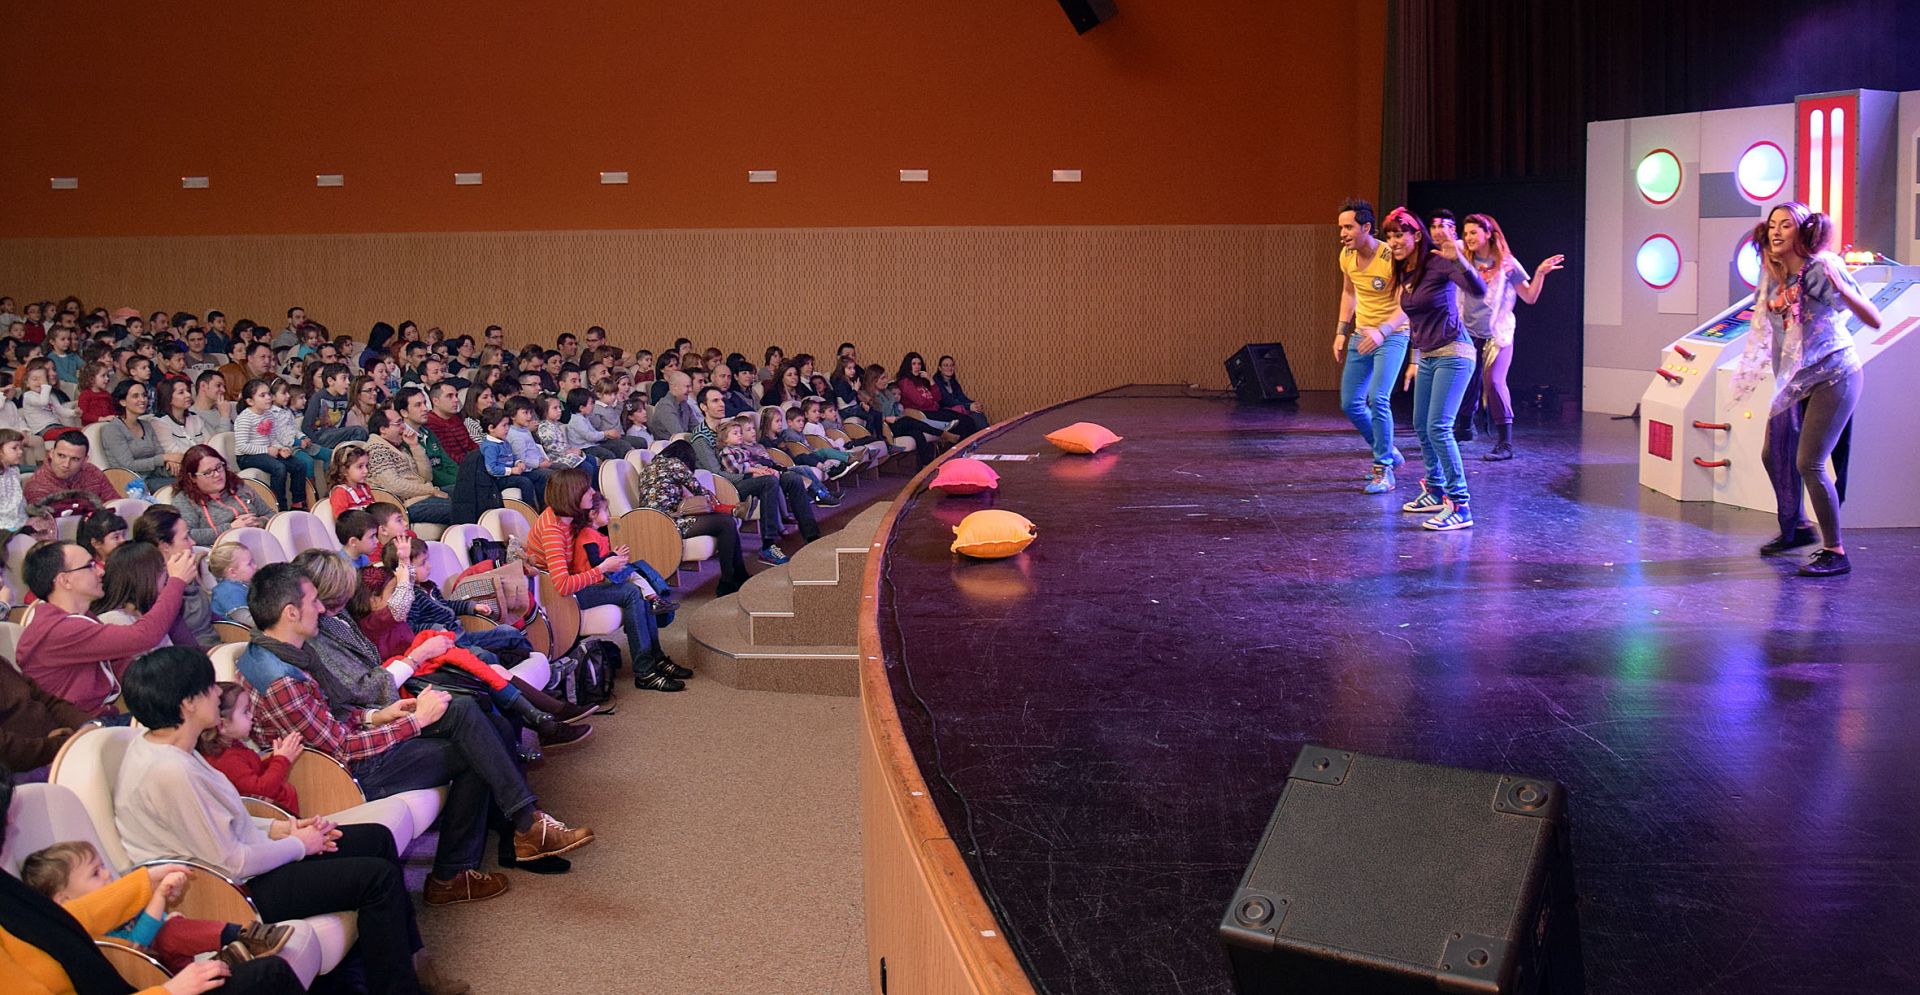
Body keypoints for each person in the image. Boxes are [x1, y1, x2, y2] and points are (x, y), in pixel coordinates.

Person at [113, 645, 469, 994]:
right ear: (187, 704)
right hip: (226, 888)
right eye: (208, 690)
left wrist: (284, 827)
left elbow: (225, 820)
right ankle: (397, 986)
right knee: (376, 879)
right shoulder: (170, 771)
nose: (214, 697)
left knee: (375, 838)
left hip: (242, 862)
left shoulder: (169, 749)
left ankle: (408, 964)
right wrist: (299, 844)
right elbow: (231, 861)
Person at [240, 562, 593, 885]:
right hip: (346, 774)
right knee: (471, 736)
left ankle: (515, 833)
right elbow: (343, 748)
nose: (321, 608)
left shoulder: (282, 654)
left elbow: (338, 715)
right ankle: (487, 852)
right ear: (290, 612)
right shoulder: (283, 679)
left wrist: (379, 715)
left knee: (471, 715)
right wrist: (415, 721)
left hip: (356, 741)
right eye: (314, 601)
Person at [1733, 202, 1882, 576]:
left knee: (1809, 462)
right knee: (1773, 454)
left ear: (1803, 232)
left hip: (1835, 373)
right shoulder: (1774, 272)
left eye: (1786, 225)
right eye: (1771, 225)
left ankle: (1835, 550)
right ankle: (1798, 527)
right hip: (1797, 380)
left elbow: (1873, 319)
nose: (1776, 231)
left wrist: (1842, 290)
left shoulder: (1820, 269)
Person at [21, 838, 295, 974]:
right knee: (169, 933)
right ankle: (241, 937)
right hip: (146, 972)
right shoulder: (88, 931)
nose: (107, 875)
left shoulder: (117, 901)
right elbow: (137, 945)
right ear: (64, 902)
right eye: (95, 874)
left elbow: (146, 919)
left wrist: (164, 912)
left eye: (103, 867)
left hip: (169, 963)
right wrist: (159, 896)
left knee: (172, 928)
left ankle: (233, 953)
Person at [524, 469, 686, 690]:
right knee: (631, 593)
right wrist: (603, 568)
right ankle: (645, 671)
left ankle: (655, 658)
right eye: (586, 489)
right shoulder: (553, 530)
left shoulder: (568, 516)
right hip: (557, 598)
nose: (592, 492)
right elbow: (561, 585)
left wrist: (610, 560)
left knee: (636, 578)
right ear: (572, 495)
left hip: (575, 584)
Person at [1384, 207, 1486, 530]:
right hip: (1428, 355)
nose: (1394, 241)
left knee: (1440, 428)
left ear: (1416, 236)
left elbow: (1479, 290)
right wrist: (1414, 361)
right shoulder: (1406, 272)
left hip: (1455, 352)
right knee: (1421, 426)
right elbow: (1416, 319)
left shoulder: (1439, 262)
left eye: (1400, 234)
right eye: (1389, 236)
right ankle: (1435, 488)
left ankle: (1460, 504)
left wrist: (1459, 257)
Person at [18, 539, 197, 718]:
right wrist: (176, 582)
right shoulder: (59, 629)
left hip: (106, 715)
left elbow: (121, 664)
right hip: (84, 729)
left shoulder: (79, 618)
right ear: (65, 581)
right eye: (90, 566)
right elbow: (144, 636)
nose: (101, 571)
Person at [1455, 213, 1564, 462]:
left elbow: (1529, 297)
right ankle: (1463, 427)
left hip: (1498, 334)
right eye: (1466, 232)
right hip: (1468, 333)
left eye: (1474, 232)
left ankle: (1505, 443)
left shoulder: (1507, 264)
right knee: (1463, 382)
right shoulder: (1462, 259)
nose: (1468, 237)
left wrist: (1540, 272)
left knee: (1494, 382)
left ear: (1488, 234)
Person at [1332, 198, 1412, 494]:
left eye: (1348, 227)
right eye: (1340, 227)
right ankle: (1389, 449)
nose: (1342, 233)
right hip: (1362, 335)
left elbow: (1407, 304)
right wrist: (1341, 331)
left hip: (1393, 336)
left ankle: (1383, 469)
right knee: (1351, 403)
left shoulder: (1391, 255)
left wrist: (1383, 331)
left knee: (1378, 399)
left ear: (1367, 227)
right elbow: (1348, 293)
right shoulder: (1346, 256)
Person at [639, 440, 750, 597]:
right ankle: (727, 581)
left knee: (726, 522)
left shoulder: (649, 468)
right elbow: (699, 490)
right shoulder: (674, 464)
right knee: (725, 523)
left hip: (654, 521)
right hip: (669, 523)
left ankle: (738, 575)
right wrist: (716, 503)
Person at [234, 378, 312, 511]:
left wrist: (281, 448)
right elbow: (242, 446)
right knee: (279, 468)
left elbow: (273, 437)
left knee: (299, 465)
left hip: (268, 451)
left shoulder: (269, 415)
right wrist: (267, 450)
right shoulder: (245, 418)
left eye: (269, 394)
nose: (268, 398)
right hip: (248, 456)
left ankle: (298, 502)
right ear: (250, 401)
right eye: (262, 395)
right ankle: (279, 505)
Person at [172, 444, 274, 544]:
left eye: (219, 467)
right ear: (192, 477)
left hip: (258, 542)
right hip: (218, 554)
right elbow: (187, 535)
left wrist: (260, 522)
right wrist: (230, 528)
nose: (217, 474)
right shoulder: (185, 500)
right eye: (208, 472)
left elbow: (270, 514)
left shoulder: (238, 486)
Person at [365, 410, 453, 524]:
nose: (404, 427)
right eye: (398, 423)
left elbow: (426, 476)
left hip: (422, 495)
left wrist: (414, 446)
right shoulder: (376, 450)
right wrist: (431, 490)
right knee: (457, 507)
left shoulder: (399, 447)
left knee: (466, 489)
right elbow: (395, 486)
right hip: (405, 505)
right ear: (383, 429)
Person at [100, 379, 176, 490]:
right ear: (123, 402)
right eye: (135, 396)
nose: (142, 400)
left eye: (144, 395)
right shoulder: (112, 429)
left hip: (155, 475)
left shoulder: (146, 425)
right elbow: (128, 465)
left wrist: (170, 461)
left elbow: (159, 453)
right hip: (134, 483)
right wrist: (163, 458)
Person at [209, 542, 258, 627]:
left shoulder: (243, 584)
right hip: (235, 635)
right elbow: (249, 621)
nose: (255, 566)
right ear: (233, 572)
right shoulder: (228, 591)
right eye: (250, 564)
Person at [648, 370, 695, 438]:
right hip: (668, 445)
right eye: (687, 386)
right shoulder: (665, 406)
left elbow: (696, 427)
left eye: (690, 386)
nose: (690, 390)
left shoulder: (684, 404)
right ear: (674, 387)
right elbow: (678, 434)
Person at [0, 430, 26, 533]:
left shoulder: (14, 472)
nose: (20, 452)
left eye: (20, 448)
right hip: (4, 528)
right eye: (14, 448)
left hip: (21, 522)